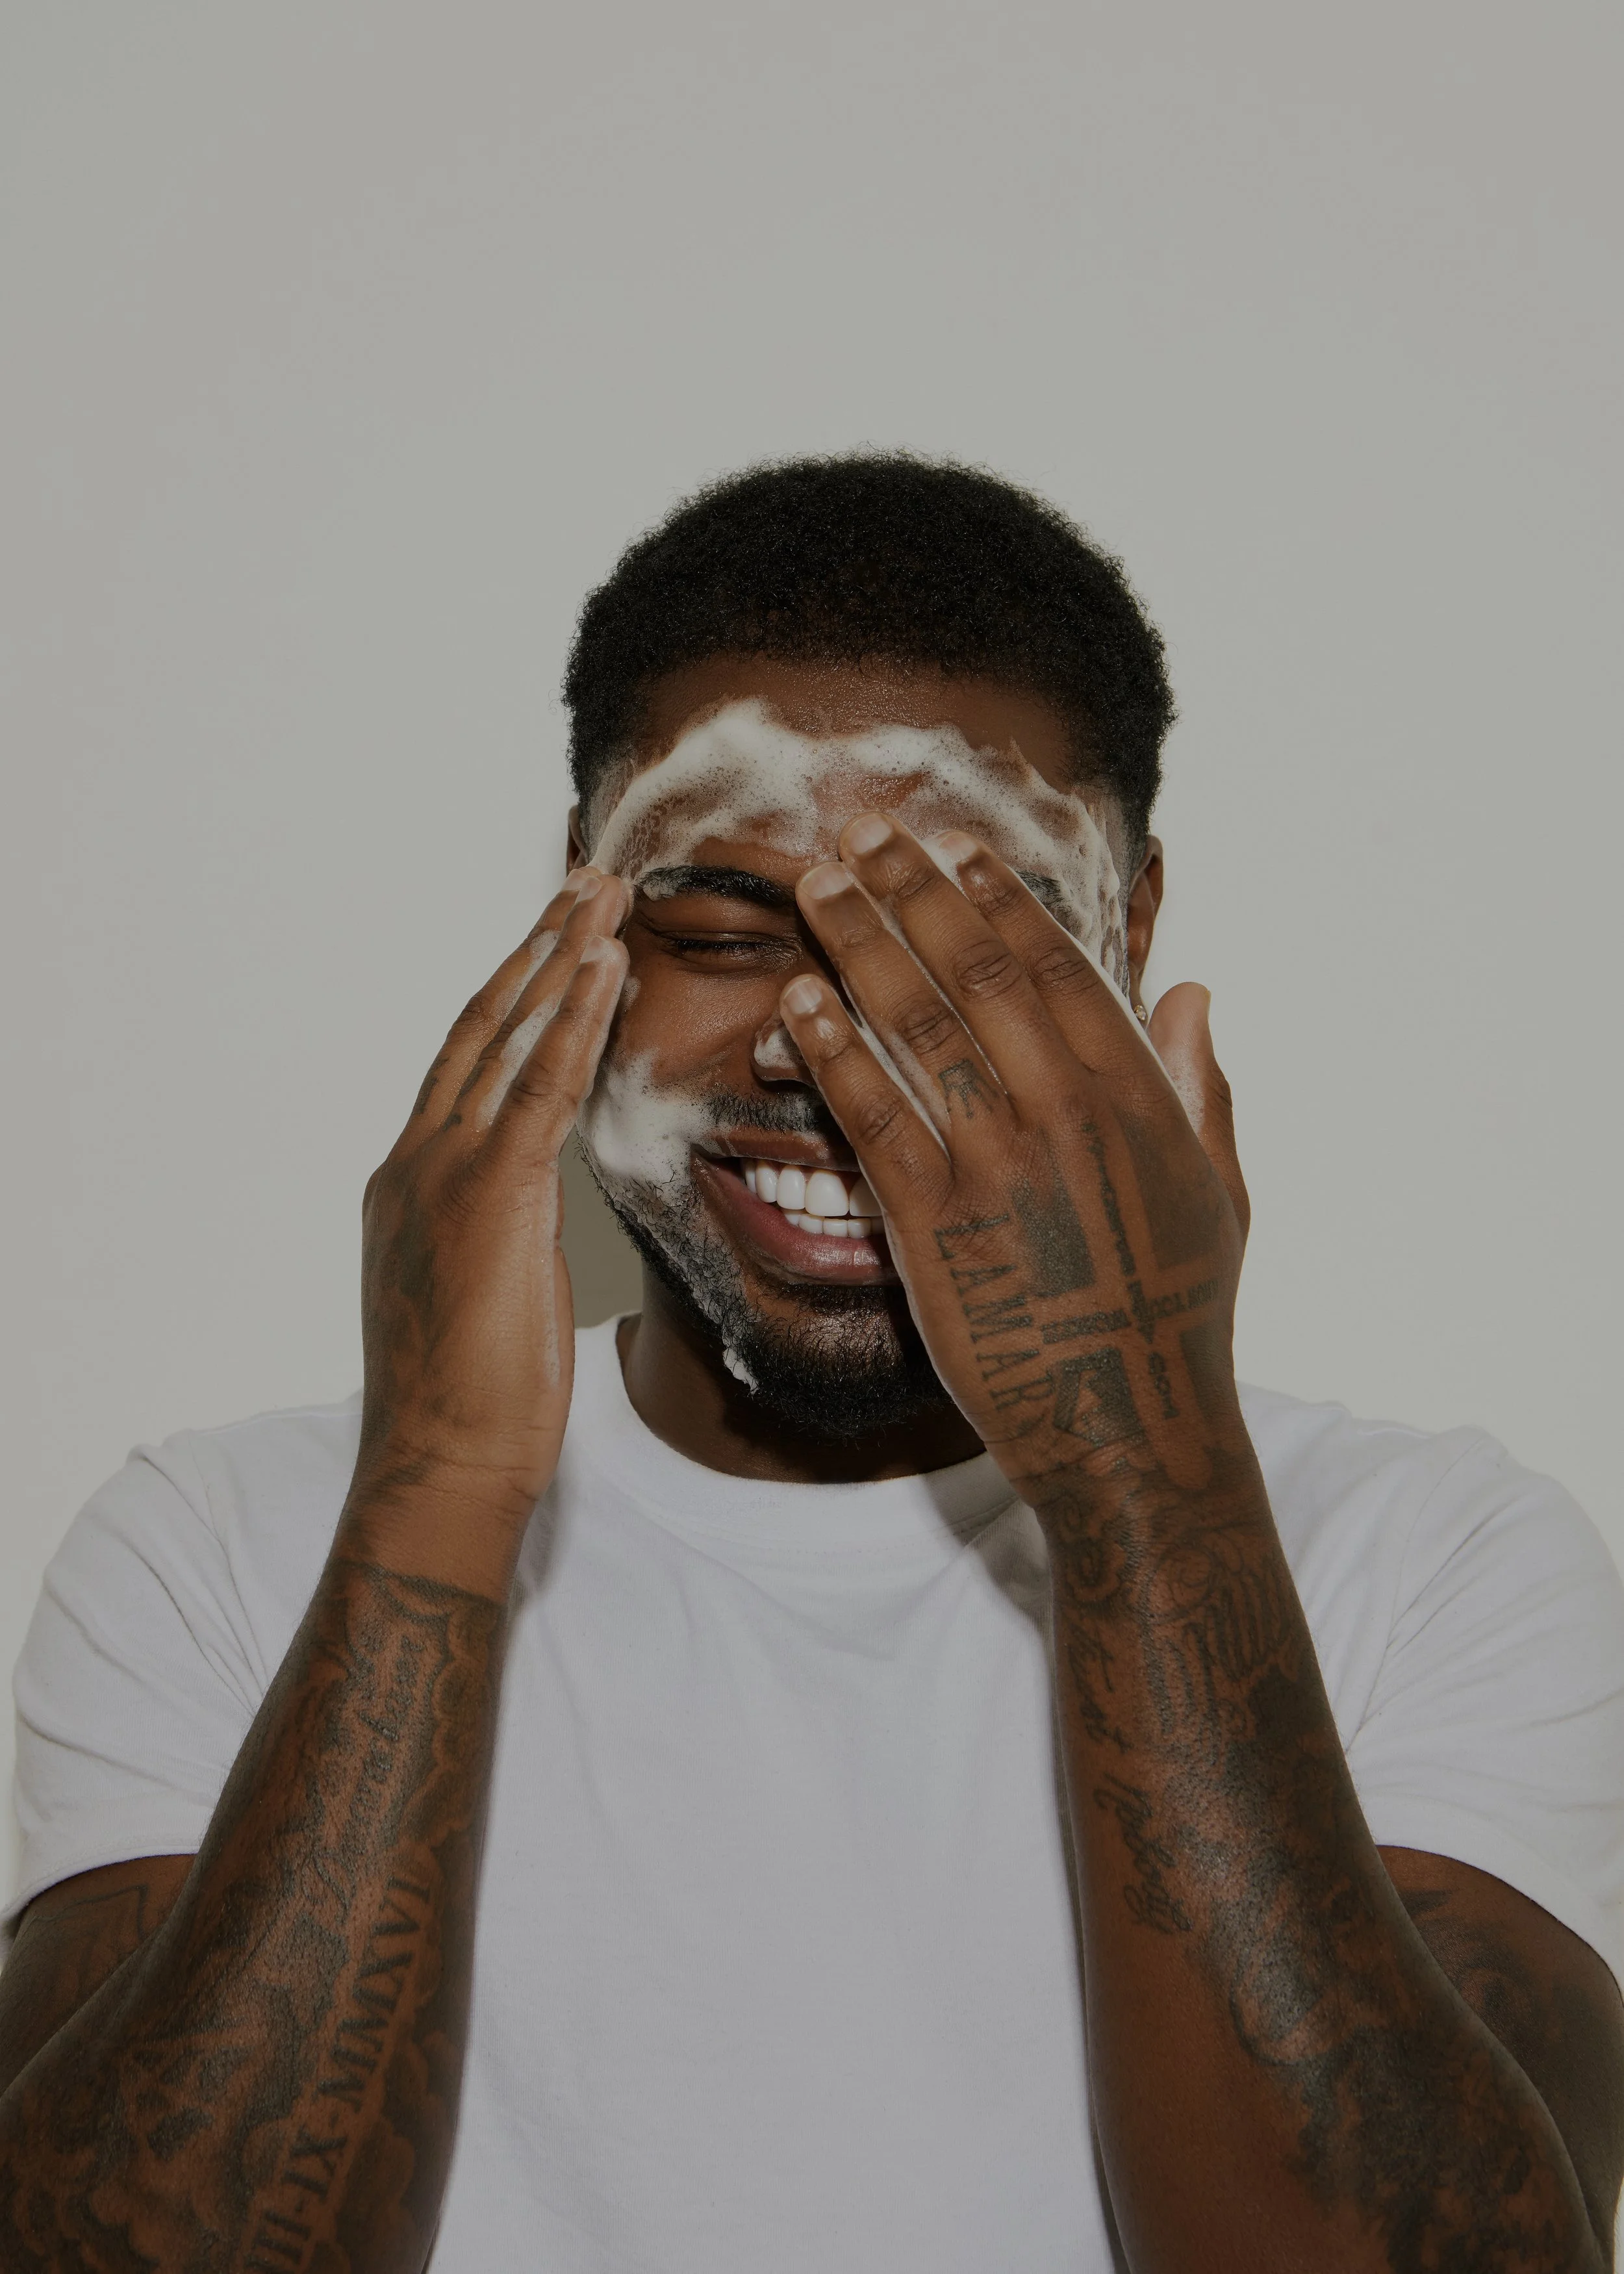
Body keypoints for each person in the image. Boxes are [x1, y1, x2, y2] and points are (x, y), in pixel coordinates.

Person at [1, 456, 1620, 2273]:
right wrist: (436, 1494)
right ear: (584, 899)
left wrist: (1137, 1460)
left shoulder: (1428, 1564)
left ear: (1131, 931)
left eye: (959, 941)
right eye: (718, 934)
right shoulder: (224, 1548)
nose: (817, 1042)